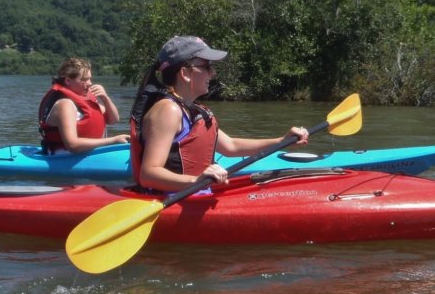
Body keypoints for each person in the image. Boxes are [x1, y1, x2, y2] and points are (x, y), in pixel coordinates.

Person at [129, 35, 309, 193]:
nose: (213, 73)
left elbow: (231, 147)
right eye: (206, 66)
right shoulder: (168, 110)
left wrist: (281, 141)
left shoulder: (192, 109)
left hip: (198, 195)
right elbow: (149, 174)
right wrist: (196, 181)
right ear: (185, 73)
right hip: (173, 202)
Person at [38, 58, 129, 153]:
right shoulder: (65, 105)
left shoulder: (85, 99)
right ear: (68, 81)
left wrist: (105, 98)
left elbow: (113, 119)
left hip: (87, 155)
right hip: (64, 158)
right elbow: (72, 145)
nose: (90, 83)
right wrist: (113, 140)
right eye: (84, 79)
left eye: (90, 78)